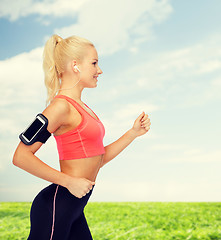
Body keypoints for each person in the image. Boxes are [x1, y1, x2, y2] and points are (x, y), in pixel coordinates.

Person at [12, 34, 151, 240]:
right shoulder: (60, 107)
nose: (99, 70)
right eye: (94, 63)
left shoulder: (84, 109)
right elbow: (20, 156)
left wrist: (132, 134)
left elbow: (97, 159)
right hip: (55, 208)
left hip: (74, 208)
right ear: (75, 65)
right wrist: (68, 182)